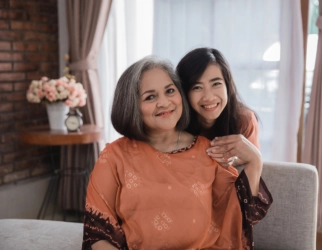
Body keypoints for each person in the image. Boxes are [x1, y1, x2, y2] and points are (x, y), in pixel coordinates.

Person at [82, 56, 272, 250]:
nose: (164, 102)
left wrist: (255, 161)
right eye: (150, 97)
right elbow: (97, 234)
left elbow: (243, 215)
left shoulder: (209, 151)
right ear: (131, 106)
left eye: (170, 91)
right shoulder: (114, 156)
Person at [176, 47, 260, 168]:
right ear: (184, 92)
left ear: (227, 85)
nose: (208, 97)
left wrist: (234, 161)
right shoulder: (176, 122)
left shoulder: (243, 119)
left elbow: (253, 166)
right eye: (197, 87)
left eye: (216, 84)